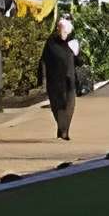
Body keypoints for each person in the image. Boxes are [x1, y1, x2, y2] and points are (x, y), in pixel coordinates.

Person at [40, 13, 85, 141]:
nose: (62, 33)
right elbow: (44, 59)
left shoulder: (73, 43)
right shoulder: (51, 42)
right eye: (60, 30)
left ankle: (64, 130)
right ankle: (62, 129)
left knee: (69, 105)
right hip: (54, 81)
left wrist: (78, 56)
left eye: (65, 31)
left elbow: (80, 61)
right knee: (56, 105)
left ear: (69, 31)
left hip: (69, 80)